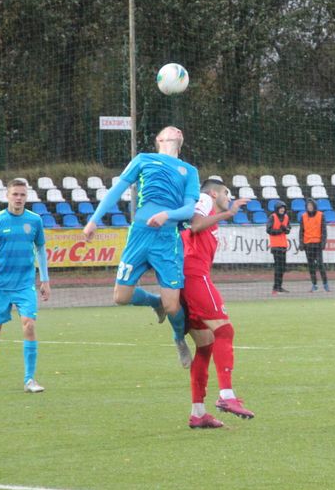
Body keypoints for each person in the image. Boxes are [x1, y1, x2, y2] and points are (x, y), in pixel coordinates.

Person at [82, 126, 200, 367]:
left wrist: (167, 215)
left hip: (167, 239)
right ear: (159, 139)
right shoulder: (143, 160)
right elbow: (116, 190)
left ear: (182, 140)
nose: (175, 130)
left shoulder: (189, 171)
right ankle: (153, 302)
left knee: (173, 305)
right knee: (121, 297)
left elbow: (189, 209)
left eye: (178, 130)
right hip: (139, 234)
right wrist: (94, 220)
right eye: (169, 129)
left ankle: (178, 338)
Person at [181, 179, 255, 428]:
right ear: (214, 193)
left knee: (205, 345)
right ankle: (227, 396)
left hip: (186, 277)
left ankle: (198, 413)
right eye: (226, 192)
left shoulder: (207, 207)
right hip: (194, 275)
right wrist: (228, 213)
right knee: (225, 330)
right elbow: (195, 225)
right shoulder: (204, 200)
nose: (228, 196)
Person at [0, 179, 51, 393]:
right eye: (15, 194)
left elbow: (41, 250)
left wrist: (45, 279)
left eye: (22, 195)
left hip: (25, 284)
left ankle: (29, 380)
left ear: (27, 197)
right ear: (7, 196)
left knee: (29, 325)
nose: (19, 198)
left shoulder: (34, 221)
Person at [299, 198, 329, 292]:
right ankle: (314, 284)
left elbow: (324, 230)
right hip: (308, 244)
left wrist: (323, 242)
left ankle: (325, 284)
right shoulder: (303, 216)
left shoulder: (321, 215)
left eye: (311, 206)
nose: (310, 207)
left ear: (314, 206)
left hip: (318, 244)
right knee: (311, 266)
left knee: (320, 264)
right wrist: (301, 243)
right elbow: (301, 231)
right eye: (308, 206)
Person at [266, 201, 291, 295]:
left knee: (282, 267)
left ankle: (278, 286)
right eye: (280, 208)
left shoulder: (286, 217)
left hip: (283, 245)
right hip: (275, 246)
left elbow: (288, 229)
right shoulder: (272, 217)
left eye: (283, 208)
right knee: (278, 267)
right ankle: (276, 287)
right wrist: (280, 230)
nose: (282, 209)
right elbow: (269, 230)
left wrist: (286, 229)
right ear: (277, 209)